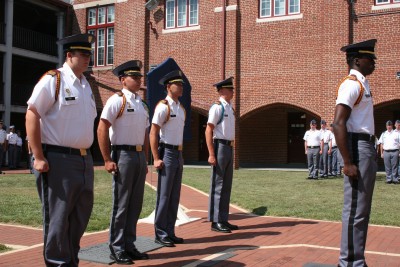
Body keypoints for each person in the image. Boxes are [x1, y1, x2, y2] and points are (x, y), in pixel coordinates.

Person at [26, 33, 96, 266]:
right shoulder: (54, 79)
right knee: (58, 219)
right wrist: (38, 156)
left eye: (89, 54)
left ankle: (70, 260)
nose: (88, 58)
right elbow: (32, 113)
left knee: (80, 216)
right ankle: (57, 262)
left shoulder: (86, 85)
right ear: (69, 55)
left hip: (84, 160)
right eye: (83, 54)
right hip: (58, 159)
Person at [97, 60, 150, 264]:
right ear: (122, 79)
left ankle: (129, 244)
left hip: (137, 156)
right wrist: (107, 159)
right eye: (134, 77)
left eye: (139, 77)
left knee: (135, 204)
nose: (138, 79)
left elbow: (145, 133)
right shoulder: (116, 100)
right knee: (121, 203)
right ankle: (116, 246)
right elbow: (102, 128)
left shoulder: (141, 104)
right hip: (123, 155)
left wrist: (146, 159)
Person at [332, 39, 378, 267]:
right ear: (357, 60)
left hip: (366, 147)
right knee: (355, 210)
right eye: (371, 59)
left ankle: (356, 259)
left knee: (363, 209)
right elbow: (338, 123)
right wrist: (348, 162)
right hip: (358, 149)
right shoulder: (351, 84)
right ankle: (349, 262)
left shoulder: (363, 83)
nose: (374, 64)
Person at [150, 70, 186, 247]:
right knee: (164, 195)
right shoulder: (164, 106)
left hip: (178, 153)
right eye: (177, 84)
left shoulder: (181, 108)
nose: (180, 87)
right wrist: (156, 157)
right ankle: (160, 233)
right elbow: (154, 132)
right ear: (168, 86)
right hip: (167, 152)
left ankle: (170, 231)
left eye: (181, 84)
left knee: (174, 195)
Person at [205, 77, 238, 233]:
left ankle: (224, 218)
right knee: (218, 185)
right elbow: (208, 130)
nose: (232, 91)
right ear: (222, 90)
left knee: (226, 185)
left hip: (229, 147)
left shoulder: (230, 108)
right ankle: (215, 220)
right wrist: (211, 154)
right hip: (219, 147)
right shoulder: (217, 108)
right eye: (230, 89)